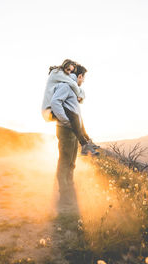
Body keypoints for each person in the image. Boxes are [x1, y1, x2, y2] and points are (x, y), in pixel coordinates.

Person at [50, 64, 95, 197]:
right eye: (83, 78)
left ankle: (69, 186)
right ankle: (64, 192)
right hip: (66, 130)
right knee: (65, 160)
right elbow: (55, 102)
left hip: (72, 131)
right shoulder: (66, 86)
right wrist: (66, 122)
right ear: (79, 76)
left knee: (71, 161)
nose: (83, 81)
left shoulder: (72, 89)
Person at [42, 59, 98, 155]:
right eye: (68, 70)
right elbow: (72, 84)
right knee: (74, 115)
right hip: (49, 110)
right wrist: (66, 121)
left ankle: (87, 141)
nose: (69, 72)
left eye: (71, 71)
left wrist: (81, 95)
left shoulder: (62, 77)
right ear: (64, 66)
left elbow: (78, 88)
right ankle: (84, 144)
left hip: (51, 110)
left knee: (77, 116)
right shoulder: (57, 73)